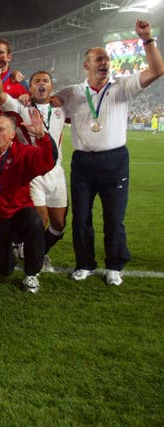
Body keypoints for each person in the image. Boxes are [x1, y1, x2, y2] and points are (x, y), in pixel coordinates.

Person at [56, 19, 164, 286]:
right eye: (99, 59)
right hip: (82, 163)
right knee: (81, 218)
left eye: (107, 59)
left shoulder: (122, 88)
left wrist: (147, 39)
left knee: (114, 218)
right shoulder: (72, 93)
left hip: (114, 161)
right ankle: (84, 264)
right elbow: (48, 101)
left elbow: (158, 69)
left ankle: (114, 265)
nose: (105, 63)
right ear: (86, 65)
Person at [0, 69, 67, 272]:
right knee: (38, 220)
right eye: (37, 81)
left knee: (59, 224)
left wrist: (60, 100)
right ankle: (32, 257)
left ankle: (38, 251)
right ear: (30, 88)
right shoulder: (22, 106)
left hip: (55, 171)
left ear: (51, 87)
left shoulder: (62, 108)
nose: (41, 84)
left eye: (46, 81)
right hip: (31, 170)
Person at [0, 113, 57, 293]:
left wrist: (41, 136)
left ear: (12, 134)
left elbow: (48, 161)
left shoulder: (24, 153)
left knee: (34, 220)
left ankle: (31, 274)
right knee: (3, 270)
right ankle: (8, 252)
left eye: (1, 129)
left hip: (17, 214)